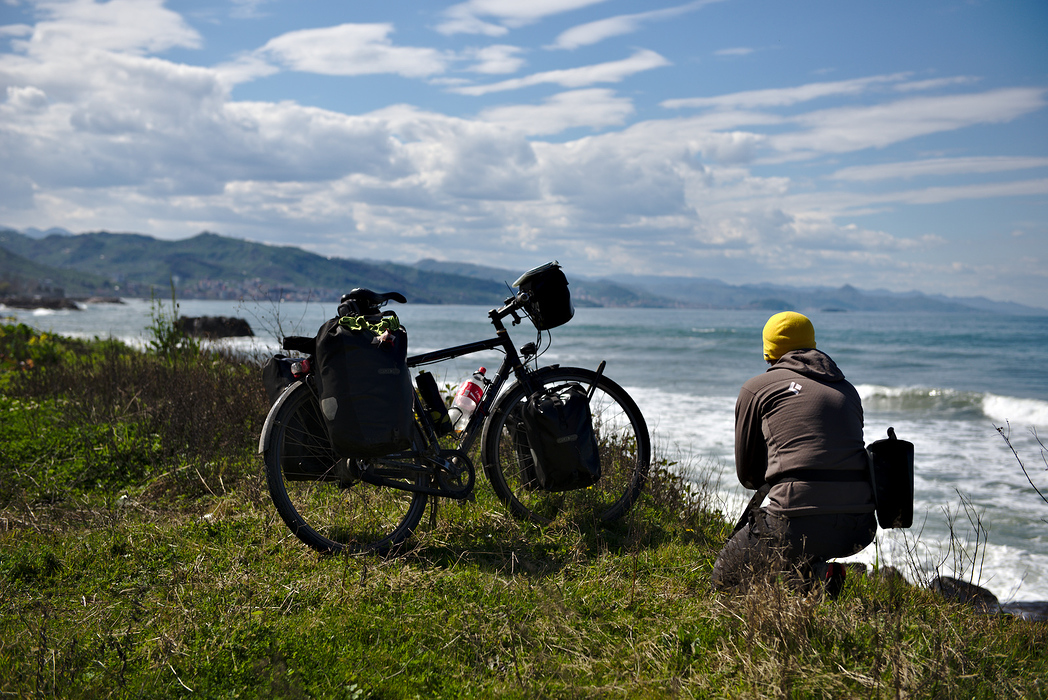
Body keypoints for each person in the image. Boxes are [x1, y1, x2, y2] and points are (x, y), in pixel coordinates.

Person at [712, 311, 877, 593]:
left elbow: (749, 476)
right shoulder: (847, 390)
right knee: (802, 540)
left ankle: (812, 574)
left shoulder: (756, 388)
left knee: (725, 579)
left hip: (795, 520)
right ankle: (820, 574)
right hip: (860, 527)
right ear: (812, 344)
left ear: (768, 352)